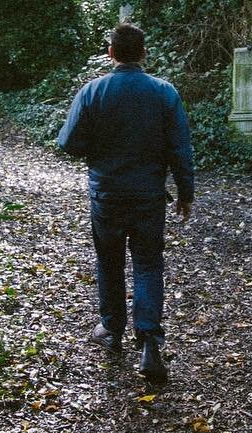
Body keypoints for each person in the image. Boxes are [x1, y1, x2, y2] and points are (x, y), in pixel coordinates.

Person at [56, 23, 194, 382]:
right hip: (149, 195)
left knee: (110, 261)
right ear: (144, 53)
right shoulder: (164, 93)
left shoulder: (93, 91)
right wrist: (185, 192)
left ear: (111, 53)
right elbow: (181, 149)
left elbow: (69, 142)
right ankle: (148, 341)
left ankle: (111, 330)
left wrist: (100, 150)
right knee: (148, 264)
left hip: (107, 194)